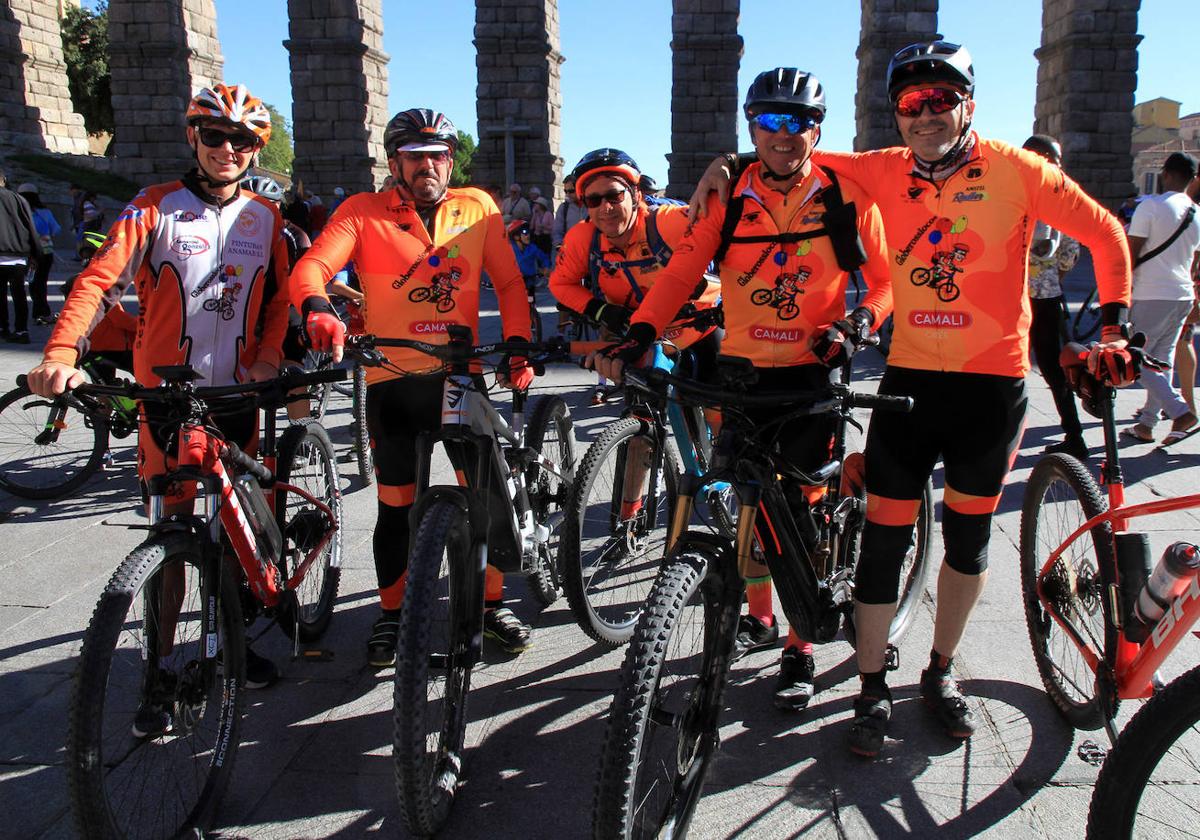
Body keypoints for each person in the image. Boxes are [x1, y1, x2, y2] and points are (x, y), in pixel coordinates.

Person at [687, 40, 1133, 757]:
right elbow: (788, 149)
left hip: (991, 388)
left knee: (968, 540)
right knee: (884, 541)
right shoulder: (880, 169)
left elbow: (1106, 233)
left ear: (968, 104)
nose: (924, 113)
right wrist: (727, 164)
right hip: (911, 385)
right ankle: (868, 684)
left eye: (940, 99)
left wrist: (1112, 326)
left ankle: (941, 669)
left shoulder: (1019, 171)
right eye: (909, 103)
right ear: (895, 114)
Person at [586, 71, 893, 713]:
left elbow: (888, 283)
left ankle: (802, 645)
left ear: (818, 127)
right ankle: (760, 616)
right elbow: (682, 270)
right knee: (746, 508)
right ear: (752, 126)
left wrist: (861, 322)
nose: (785, 134)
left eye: (799, 121)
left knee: (802, 512)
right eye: (770, 121)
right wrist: (640, 331)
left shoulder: (846, 193)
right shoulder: (728, 199)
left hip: (811, 374)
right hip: (743, 374)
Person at [27, 83, 293, 707]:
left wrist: (267, 357)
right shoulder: (154, 206)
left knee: (236, 530)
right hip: (167, 399)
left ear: (257, 150)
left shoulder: (266, 217)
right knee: (169, 532)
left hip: (237, 392)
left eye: (245, 140)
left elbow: (280, 298)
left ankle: (230, 640)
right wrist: (62, 353)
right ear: (192, 137)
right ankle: (161, 664)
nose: (229, 149)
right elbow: (98, 282)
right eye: (216, 135)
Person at [289, 107, 536, 667]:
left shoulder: (477, 207)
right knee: (395, 508)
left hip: (459, 375)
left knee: (487, 496)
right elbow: (310, 268)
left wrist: (517, 344)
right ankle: (392, 614)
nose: (428, 166)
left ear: (451, 160)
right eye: (414, 156)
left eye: (438, 155)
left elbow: (511, 281)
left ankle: (492, 605)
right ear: (395, 162)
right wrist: (317, 309)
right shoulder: (362, 211)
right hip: (393, 382)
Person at [1123, 152, 1200, 444]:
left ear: (1165, 174)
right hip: (1181, 294)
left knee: (1133, 359)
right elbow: (1195, 263)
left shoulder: (1151, 206)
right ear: (1192, 180)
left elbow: (1132, 250)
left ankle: (1180, 412)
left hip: (1150, 292)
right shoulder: (1196, 214)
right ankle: (1147, 424)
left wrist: (1120, 290)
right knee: (1160, 361)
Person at [1021, 136, 1086, 460]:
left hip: (1012, 297)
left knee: (1005, 368)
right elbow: (1070, 254)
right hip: (1047, 296)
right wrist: (1052, 275)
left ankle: (995, 436)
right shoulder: (1062, 199)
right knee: (1054, 367)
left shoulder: (1015, 193)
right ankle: (1074, 434)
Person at [0, 170, 43, 344]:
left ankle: (3, 327)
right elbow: (30, 226)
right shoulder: (19, 199)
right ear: (3, 180)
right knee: (19, 295)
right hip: (18, 257)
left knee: (0, 295)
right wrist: (36, 254)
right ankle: (21, 330)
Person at [17, 183, 61, 327]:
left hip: (29, 252)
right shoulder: (45, 212)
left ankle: (39, 311)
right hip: (46, 251)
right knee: (41, 281)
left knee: (32, 282)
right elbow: (56, 229)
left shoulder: (19, 212)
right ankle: (42, 310)